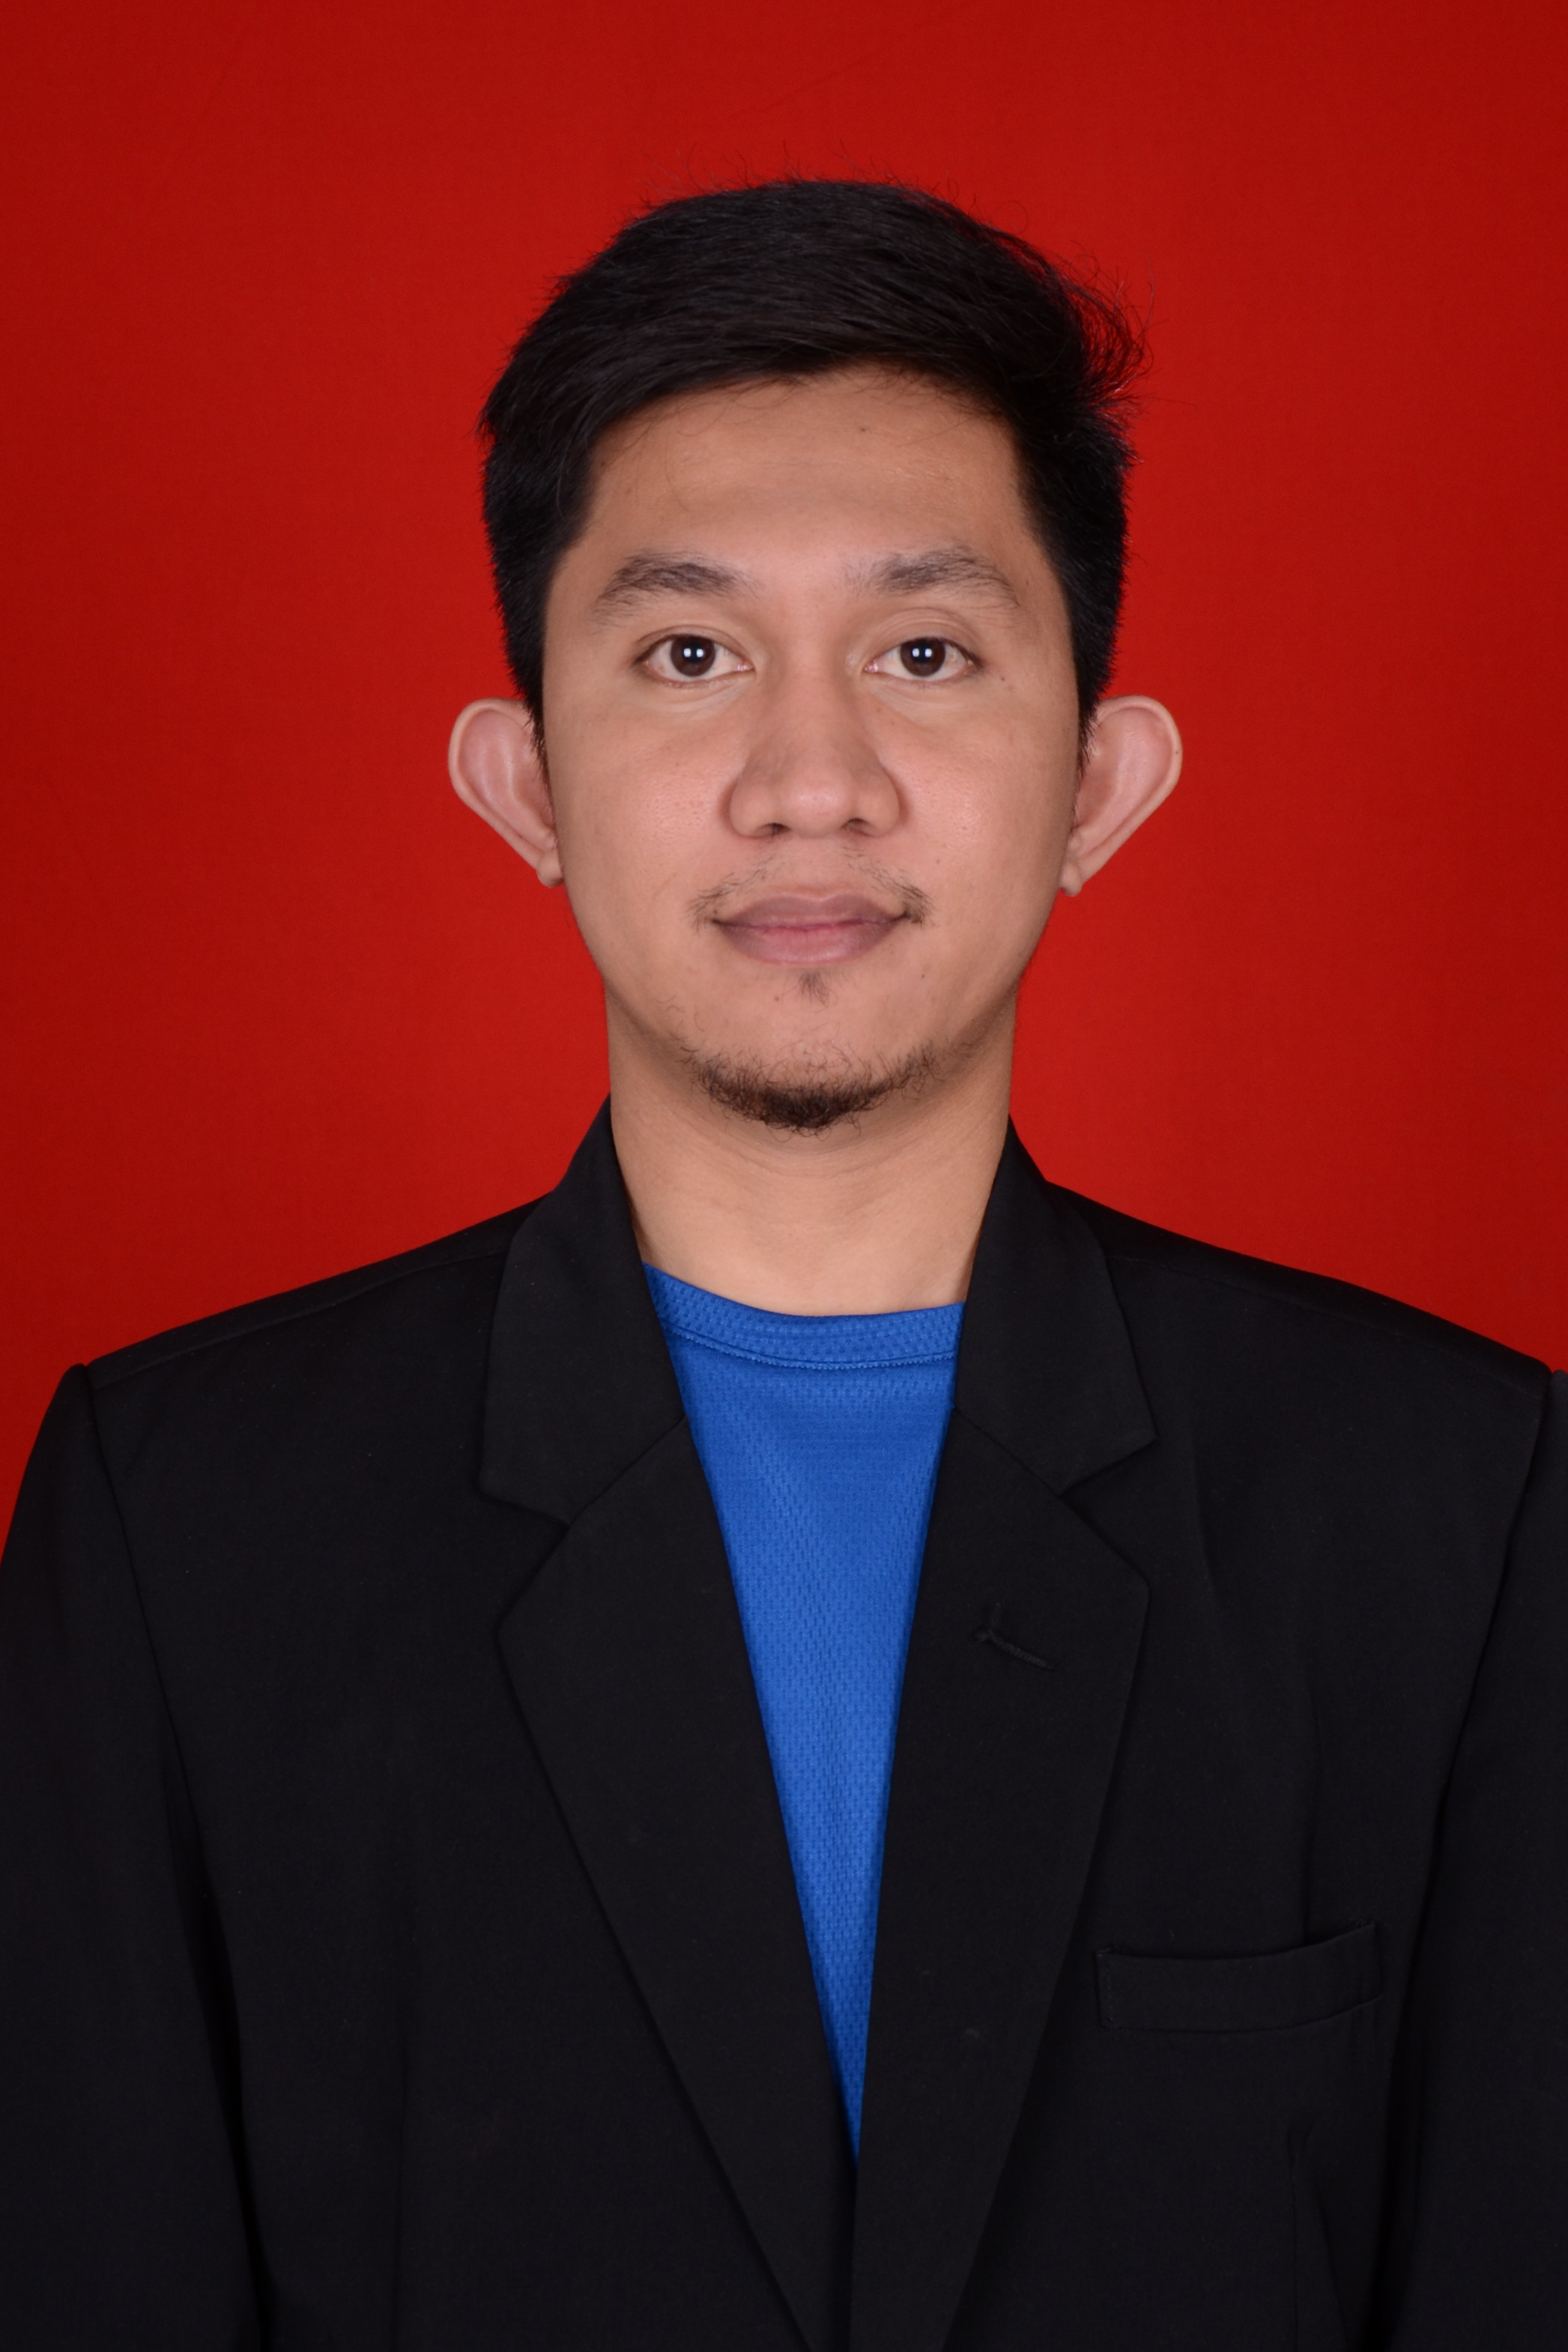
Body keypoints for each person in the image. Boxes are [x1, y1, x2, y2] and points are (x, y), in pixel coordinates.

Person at [0, 178, 1563, 2351]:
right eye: (687, 654)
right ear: (525, 781)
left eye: (923, 652)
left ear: (1097, 782)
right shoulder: (178, 1519)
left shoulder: (1449, 1504)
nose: (807, 784)